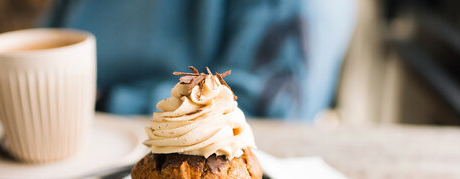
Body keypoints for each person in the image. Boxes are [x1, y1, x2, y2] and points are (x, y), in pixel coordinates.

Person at [44, 0, 357, 121]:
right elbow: (43, 47)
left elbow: (271, 110)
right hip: (54, 129)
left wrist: (106, 101)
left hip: (178, 149)